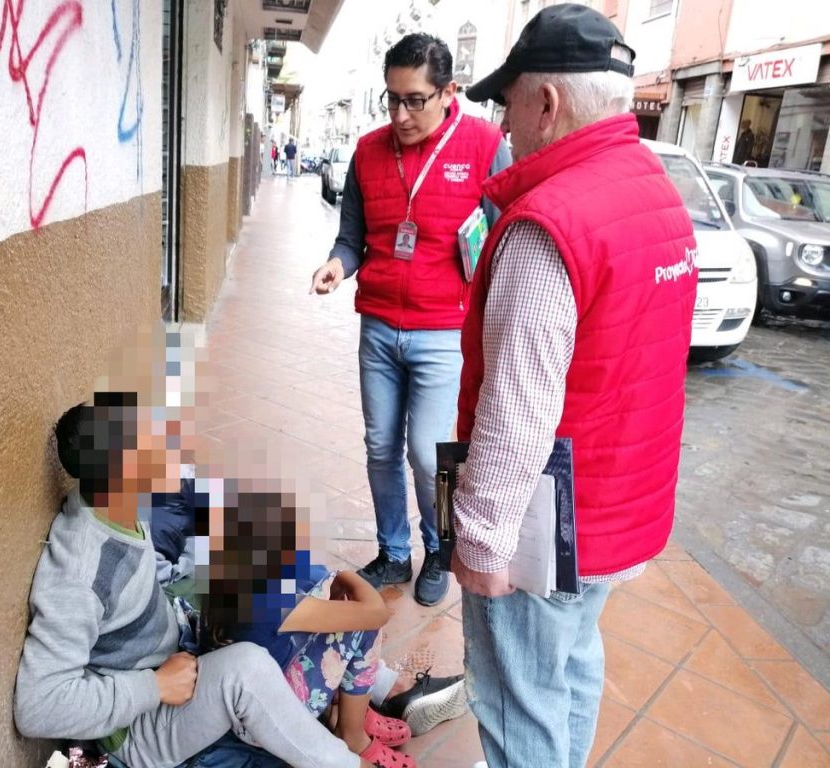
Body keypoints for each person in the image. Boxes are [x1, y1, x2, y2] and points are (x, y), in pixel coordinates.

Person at [454, 5, 696, 767]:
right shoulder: (654, 192)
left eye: (509, 104)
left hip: (548, 525)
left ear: (546, 103)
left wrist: (478, 539)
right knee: (574, 662)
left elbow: (515, 411)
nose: (505, 125)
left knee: (516, 694)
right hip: (620, 509)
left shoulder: (546, 224)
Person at [14, 393, 374, 768]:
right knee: (246, 669)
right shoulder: (79, 578)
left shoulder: (108, 501)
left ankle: (372, 686)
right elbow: (37, 706)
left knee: (290, 574)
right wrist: (153, 687)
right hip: (143, 726)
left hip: (174, 648)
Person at [309, 33, 511, 607]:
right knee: (380, 448)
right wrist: (336, 265)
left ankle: (439, 547)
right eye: (391, 99)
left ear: (449, 92)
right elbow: (351, 239)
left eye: (414, 100)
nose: (400, 114)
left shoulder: (486, 145)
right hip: (378, 330)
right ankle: (395, 552)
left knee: (430, 454)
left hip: (444, 334)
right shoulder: (368, 153)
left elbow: (505, 239)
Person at [198, 484, 418, 768]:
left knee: (334, 603)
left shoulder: (225, 587)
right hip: (262, 722)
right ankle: (353, 735)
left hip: (241, 704)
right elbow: (376, 612)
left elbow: (318, 577)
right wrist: (347, 575)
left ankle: (349, 710)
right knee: (360, 624)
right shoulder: (268, 600)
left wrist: (333, 586)